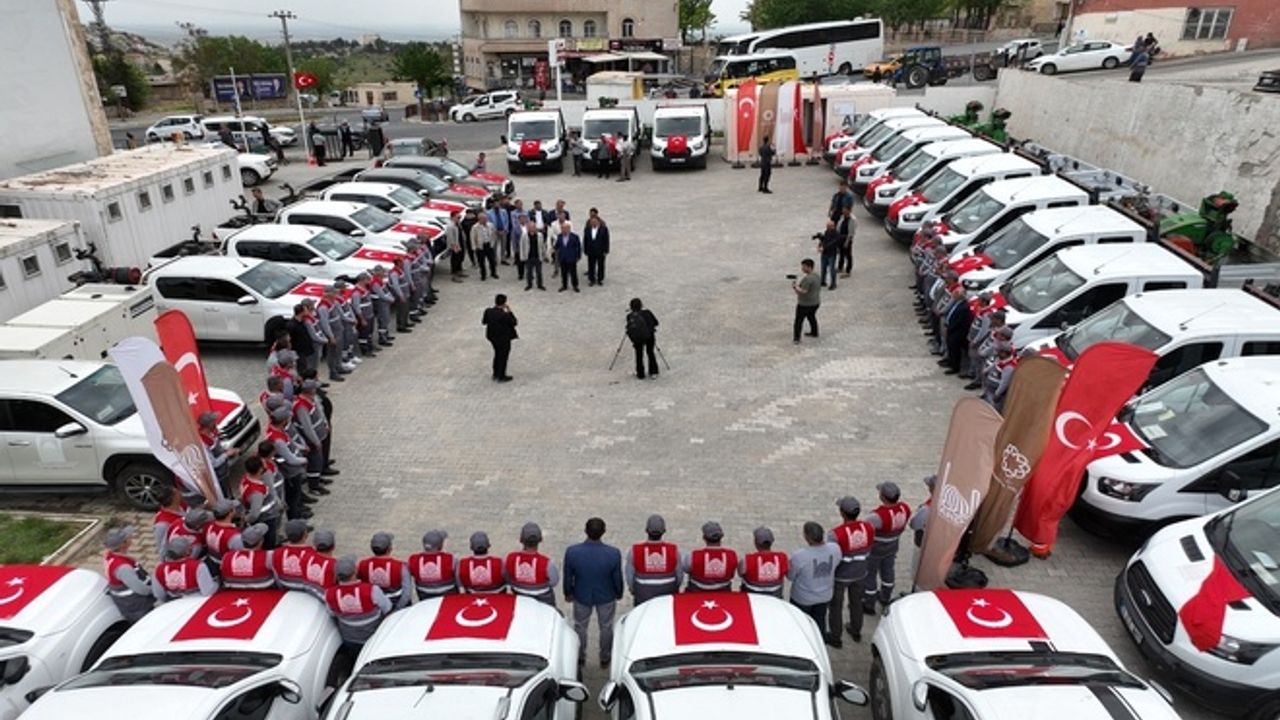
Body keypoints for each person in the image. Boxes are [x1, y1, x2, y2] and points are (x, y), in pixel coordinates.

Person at [563, 517, 623, 668]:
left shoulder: (573, 552)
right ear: (604, 532)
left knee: (580, 626)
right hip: (606, 594)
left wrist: (568, 592)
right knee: (606, 626)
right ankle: (605, 657)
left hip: (582, 594)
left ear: (585, 531)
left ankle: (580, 657)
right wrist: (619, 592)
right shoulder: (613, 553)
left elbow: (568, 576)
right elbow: (617, 577)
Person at [828, 496, 874, 645]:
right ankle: (856, 630)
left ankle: (836, 636)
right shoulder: (868, 527)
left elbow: (831, 555)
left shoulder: (835, 534)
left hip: (841, 575)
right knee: (856, 602)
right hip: (860, 572)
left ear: (842, 513)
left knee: (836, 605)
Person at [786, 521, 841, 643]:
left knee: (800, 622)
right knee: (820, 619)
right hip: (825, 595)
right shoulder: (835, 549)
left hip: (803, 597)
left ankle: (800, 642)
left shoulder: (799, 556)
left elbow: (790, 576)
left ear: (807, 537)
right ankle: (818, 641)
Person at [326, 555, 392, 653]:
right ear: (355, 571)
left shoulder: (329, 593)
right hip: (373, 638)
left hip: (349, 639)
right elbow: (388, 607)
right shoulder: (371, 590)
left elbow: (331, 614)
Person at [863, 482, 912, 615]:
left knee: (870, 575)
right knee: (888, 571)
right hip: (892, 546)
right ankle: (885, 596)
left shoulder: (876, 517)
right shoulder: (905, 508)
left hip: (875, 550)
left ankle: (869, 603)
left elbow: (865, 531)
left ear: (883, 497)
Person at [625, 514, 681, 604]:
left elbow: (630, 577)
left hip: (643, 596)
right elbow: (679, 576)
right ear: (664, 531)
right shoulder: (673, 550)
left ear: (646, 530)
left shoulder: (634, 550)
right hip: (667, 596)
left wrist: (634, 591)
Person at [103, 526, 154, 622]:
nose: (131, 537)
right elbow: (140, 588)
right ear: (123, 544)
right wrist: (154, 589)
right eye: (128, 537)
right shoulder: (123, 568)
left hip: (129, 605)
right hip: (137, 607)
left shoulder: (111, 556)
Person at [505, 522, 559, 606]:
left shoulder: (510, 558)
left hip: (519, 598)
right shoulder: (546, 563)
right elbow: (554, 582)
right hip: (543, 602)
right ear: (539, 540)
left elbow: (506, 577)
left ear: (521, 540)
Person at [153, 536, 217, 602]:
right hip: (197, 602)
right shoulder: (198, 566)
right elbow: (208, 591)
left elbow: (159, 594)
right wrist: (216, 584)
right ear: (187, 551)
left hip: (174, 603)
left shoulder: (159, 569)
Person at [358, 532, 412, 609]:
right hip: (395, 602)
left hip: (374, 604)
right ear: (390, 548)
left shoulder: (362, 564)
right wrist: (396, 609)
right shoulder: (401, 566)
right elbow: (406, 594)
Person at [682, 522, 739, 591]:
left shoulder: (693, 556)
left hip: (696, 591)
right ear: (721, 537)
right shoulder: (731, 555)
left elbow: (685, 568)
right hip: (723, 591)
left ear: (704, 538)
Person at [221, 524, 275, 589]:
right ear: (261, 542)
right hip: (264, 589)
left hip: (232, 589)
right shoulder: (269, 556)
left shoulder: (226, 556)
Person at [408, 529, 458, 601]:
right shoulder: (451, 559)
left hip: (424, 597)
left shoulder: (413, 559)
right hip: (448, 597)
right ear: (441, 546)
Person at [740, 526, 789, 597]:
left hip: (752, 597)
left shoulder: (747, 559)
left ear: (755, 543)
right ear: (771, 542)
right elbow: (788, 573)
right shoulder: (782, 558)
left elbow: (740, 573)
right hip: (775, 596)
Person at [272, 519, 316, 592]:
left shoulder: (277, 552)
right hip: (305, 589)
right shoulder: (313, 554)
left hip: (284, 586)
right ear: (305, 534)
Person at [482, 294, 518, 382]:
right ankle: (501, 375)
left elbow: (484, 322)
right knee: (503, 356)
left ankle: (495, 373)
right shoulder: (504, 315)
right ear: (504, 303)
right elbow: (514, 322)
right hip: (503, 338)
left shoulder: (488, 311)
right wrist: (509, 312)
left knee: (497, 354)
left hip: (492, 337)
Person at [626, 298, 660, 379]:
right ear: (641, 305)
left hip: (637, 338)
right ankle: (653, 371)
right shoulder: (647, 313)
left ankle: (640, 374)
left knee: (639, 355)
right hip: (649, 336)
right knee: (650, 352)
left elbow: (629, 328)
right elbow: (656, 322)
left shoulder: (629, 316)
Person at [942, 287, 973, 376]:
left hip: (957, 332)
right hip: (952, 330)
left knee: (955, 350)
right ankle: (950, 362)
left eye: (956, 293)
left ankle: (955, 367)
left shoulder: (964, 307)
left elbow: (959, 321)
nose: (953, 295)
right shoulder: (957, 303)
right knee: (951, 348)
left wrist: (949, 327)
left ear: (960, 296)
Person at [152, 484, 186, 559]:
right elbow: (162, 546)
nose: (180, 493)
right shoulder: (163, 524)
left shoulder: (181, 505)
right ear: (173, 498)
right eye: (177, 493)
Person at [304, 529, 340, 600]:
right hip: (326, 599)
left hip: (308, 594)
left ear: (315, 546)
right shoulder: (336, 565)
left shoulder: (306, 558)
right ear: (333, 547)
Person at [792, 259, 821, 344]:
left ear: (809, 267)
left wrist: (795, 287)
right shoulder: (817, 276)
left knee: (798, 321)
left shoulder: (808, 279)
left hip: (805, 303)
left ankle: (796, 338)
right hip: (815, 302)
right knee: (811, 317)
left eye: (804, 266)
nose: (802, 268)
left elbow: (803, 291)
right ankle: (814, 332)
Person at [554, 221, 581, 292]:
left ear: (569, 229)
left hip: (571, 258)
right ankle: (564, 285)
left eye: (565, 228)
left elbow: (578, 247)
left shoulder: (575, 237)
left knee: (573, 273)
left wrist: (578, 256)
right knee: (563, 273)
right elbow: (557, 246)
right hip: (563, 258)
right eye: (562, 228)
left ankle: (575, 285)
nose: (563, 230)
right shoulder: (559, 236)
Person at [584, 214, 610, 286]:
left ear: (598, 222)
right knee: (591, 266)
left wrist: (606, 250)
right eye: (592, 222)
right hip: (591, 251)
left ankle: (600, 279)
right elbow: (585, 240)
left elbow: (606, 240)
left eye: (595, 222)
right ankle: (592, 279)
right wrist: (585, 250)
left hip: (600, 251)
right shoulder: (587, 229)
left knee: (601, 266)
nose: (593, 223)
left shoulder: (604, 229)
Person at [520, 217, 545, 291]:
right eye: (531, 227)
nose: (532, 228)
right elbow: (522, 246)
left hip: (537, 256)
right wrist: (522, 256)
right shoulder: (524, 235)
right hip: (529, 256)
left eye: (533, 227)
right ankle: (529, 285)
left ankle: (540, 284)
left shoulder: (540, 235)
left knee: (539, 272)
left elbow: (542, 246)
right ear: (528, 228)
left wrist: (543, 255)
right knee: (529, 272)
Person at [472, 213, 498, 281]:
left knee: (492, 260)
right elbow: (472, 238)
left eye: (486, 218)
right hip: (481, 246)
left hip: (489, 244)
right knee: (481, 262)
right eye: (484, 218)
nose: (485, 220)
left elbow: (494, 233)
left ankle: (493, 273)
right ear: (479, 219)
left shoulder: (490, 225)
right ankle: (483, 275)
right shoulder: (475, 227)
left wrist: (493, 242)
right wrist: (474, 247)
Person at [817, 220, 842, 291]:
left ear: (833, 226)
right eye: (827, 226)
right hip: (825, 253)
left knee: (832, 269)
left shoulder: (836, 234)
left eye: (829, 226)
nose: (828, 228)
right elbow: (824, 240)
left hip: (831, 253)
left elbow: (832, 243)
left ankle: (833, 283)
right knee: (823, 268)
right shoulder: (826, 232)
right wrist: (820, 245)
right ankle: (823, 281)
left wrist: (823, 247)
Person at [837, 205, 857, 278]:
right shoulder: (843, 217)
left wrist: (847, 242)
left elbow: (851, 232)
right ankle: (840, 267)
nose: (843, 211)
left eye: (845, 210)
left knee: (848, 255)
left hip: (847, 238)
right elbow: (839, 226)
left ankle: (848, 270)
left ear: (849, 210)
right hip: (840, 237)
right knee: (841, 253)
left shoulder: (852, 219)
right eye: (843, 210)